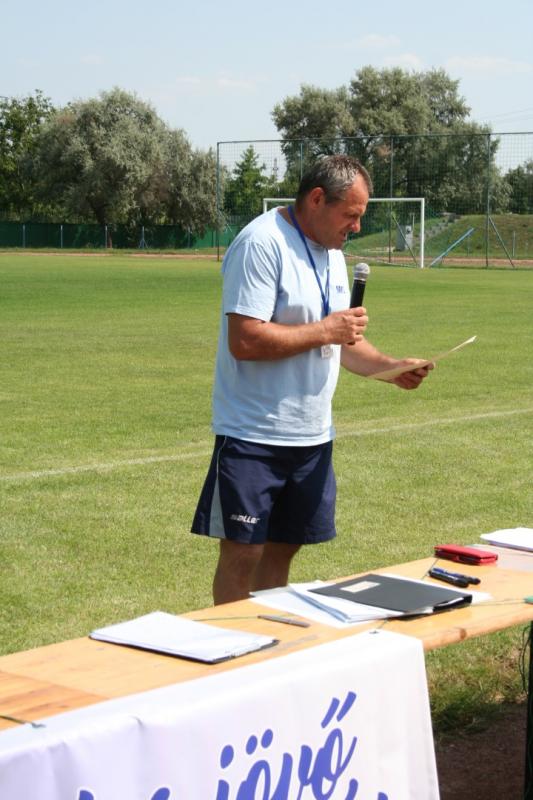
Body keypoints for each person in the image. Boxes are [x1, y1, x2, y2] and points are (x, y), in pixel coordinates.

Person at [191, 154, 432, 605]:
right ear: (317, 199)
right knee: (242, 553)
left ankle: (272, 638)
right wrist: (326, 330)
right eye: (351, 215)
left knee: (284, 548)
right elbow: (245, 339)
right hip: (253, 434)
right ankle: (234, 644)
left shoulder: (333, 253)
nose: (356, 227)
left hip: (313, 437)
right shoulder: (261, 243)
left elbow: (343, 343)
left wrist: (391, 367)